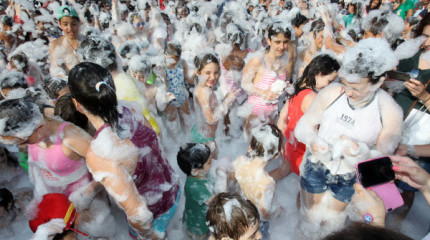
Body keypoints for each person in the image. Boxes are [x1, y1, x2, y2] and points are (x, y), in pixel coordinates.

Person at [293, 38, 403, 239]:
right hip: (316, 166)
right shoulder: (332, 92)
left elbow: (380, 163)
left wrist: (360, 153)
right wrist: (313, 140)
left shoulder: (389, 111)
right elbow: (303, 127)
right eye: (345, 83)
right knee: (309, 215)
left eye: (357, 87)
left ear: (378, 80)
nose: (349, 92)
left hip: (349, 177)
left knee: (334, 223)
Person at [68, 62, 180, 239]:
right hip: (172, 189)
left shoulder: (100, 155)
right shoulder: (130, 109)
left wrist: (151, 237)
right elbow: (149, 150)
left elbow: (139, 215)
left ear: (77, 104)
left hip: (154, 215)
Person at [0, 98, 114, 239]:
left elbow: (110, 169)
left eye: (24, 142)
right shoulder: (34, 133)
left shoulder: (71, 138)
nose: (22, 147)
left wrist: (85, 195)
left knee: (96, 234)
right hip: (57, 204)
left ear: (39, 127)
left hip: (88, 204)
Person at [271, 54, 340, 180]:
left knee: (282, 171)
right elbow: (321, 130)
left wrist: (279, 141)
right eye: (329, 81)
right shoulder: (311, 97)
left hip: (291, 146)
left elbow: (283, 117)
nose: (330, 85)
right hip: (302, 152)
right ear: (319, 74)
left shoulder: (297, 86)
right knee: (307, 191)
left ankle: (255, 188)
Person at [391, 13, 430, 222]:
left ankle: (396, 227)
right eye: (425, 36)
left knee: (408, 186)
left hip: (419, 139)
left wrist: (424, 96)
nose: (428, 43)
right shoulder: (411, 54)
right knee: (382, 179)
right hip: (394, 126)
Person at [233, 124, 283, 240]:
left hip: (240, 212)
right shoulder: (267, 183)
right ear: (276, 156)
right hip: (256, 222)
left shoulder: (240, 161)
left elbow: (233, 181)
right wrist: (278, 212)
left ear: (250, 147)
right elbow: (264, 213)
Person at [242, 21, 291, 133]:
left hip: (272, 113)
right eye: (277, 42)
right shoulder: (258, 59)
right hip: (256, 113)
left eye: (285, 42)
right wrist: (263, 93)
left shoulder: (284, 58)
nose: (282, 46)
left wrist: (285, 88)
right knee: (254, 149)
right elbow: (244, 83)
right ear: (269, 40)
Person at [193, 52, 239, 154]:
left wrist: (224, 100)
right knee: (210, 162)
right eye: (208, 73)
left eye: (216, 72)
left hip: (205, 135)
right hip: (204, 139)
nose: (213, 77)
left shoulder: (206, 88)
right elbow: (210, 119)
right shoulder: (202, 92)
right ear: (197, 72)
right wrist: (226, 102)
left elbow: (211, 110)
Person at [177, 143, 213, 240]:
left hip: (193, 216)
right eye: (209, 162)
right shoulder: (195, 187)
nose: (212, 163)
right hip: (197, 225)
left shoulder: (197, 175)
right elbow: (214, 201)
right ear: (195, 170)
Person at [162, 42, 192, 130]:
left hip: (182, 96)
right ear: (165, 56)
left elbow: (188, 78)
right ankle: (175, 142)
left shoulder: (182, 63)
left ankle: (187, 139)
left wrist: (197, 74)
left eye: (177, 59)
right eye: (171, 59)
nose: (174, 62)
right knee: (173, 125)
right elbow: (164, 86)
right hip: (170, 100)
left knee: (187, 121)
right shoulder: (162, 66)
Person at [49, 5, 84, 78]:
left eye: (73, 24)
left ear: (79, 23)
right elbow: (56, 71)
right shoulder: (55, 45)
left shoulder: (88, 42)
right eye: (65, 24)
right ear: (60, 25)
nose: (70, 28)